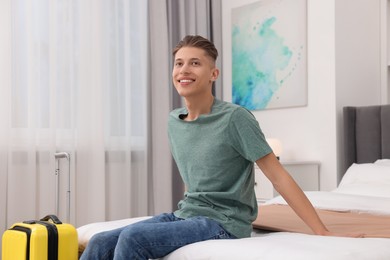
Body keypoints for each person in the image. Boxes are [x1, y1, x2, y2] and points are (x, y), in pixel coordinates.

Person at [80, 35, 363, 260]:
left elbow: (277, 176)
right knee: (102, 240)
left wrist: (321, 231)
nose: (184, 70)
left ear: (213, 73)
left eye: (195, 63)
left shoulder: (235, 118)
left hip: (225, 222)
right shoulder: (174, 120)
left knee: (133, 239)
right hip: (186, 214)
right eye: (179, 63)